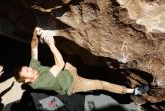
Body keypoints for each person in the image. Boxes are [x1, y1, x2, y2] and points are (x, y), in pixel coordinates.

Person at [14, 27, 149, 96]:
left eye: (27, 67)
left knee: (72, 52)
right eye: (27, 71)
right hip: (73, 85)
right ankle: (132, 91)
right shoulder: (39, 83)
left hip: (68, 71)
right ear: (27, 80)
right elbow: (59, 65)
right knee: (100, 84)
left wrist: (34, 32)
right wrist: (51, 44)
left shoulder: (32, 67)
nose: (30, 68)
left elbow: (34, 46)